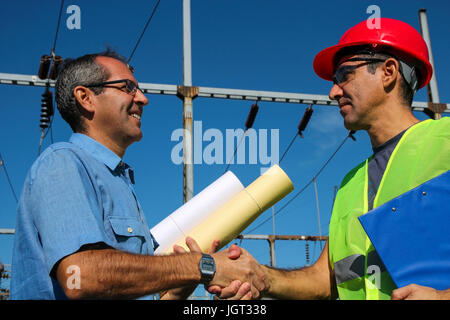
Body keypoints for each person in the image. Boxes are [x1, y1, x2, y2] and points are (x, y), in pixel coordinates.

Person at [211, 18, 450, 300]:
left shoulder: (444, 140)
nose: (333, 91)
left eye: (344, 75)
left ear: (388, 72)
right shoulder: (350, 184)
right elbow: (325, 281)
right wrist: (259, 276)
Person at [10, 50, 268, 300]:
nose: (143, 99)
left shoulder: (120, 183)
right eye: (128, 87)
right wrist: (202, 266)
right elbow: (80, 278)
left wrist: (182, 285)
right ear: (85, 97)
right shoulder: (63, 162)